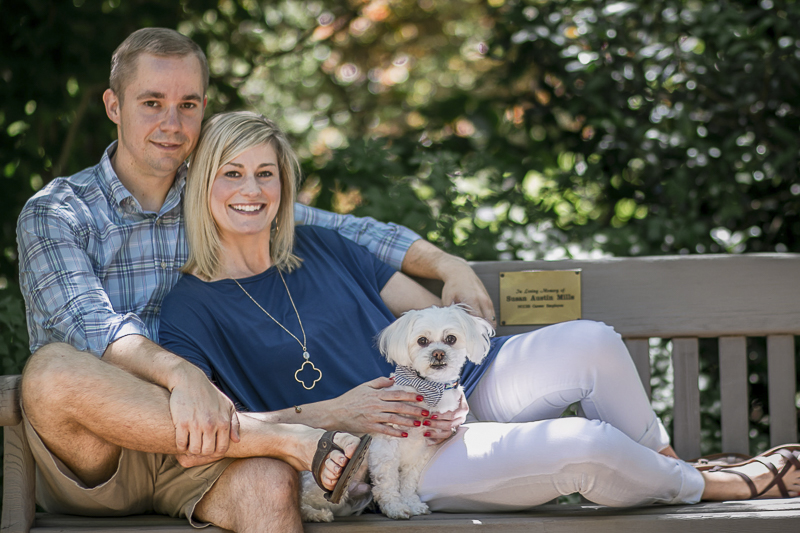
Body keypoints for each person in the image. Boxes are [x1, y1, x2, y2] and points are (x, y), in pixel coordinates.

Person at [159, 110, 800, 519]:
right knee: (581, 445)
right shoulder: (188, 307)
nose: (251, 191)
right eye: (232, 174)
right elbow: (222, 428)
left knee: (594, 342)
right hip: (396, 457)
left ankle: (668, 466)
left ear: (284, 185)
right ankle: (709, 488)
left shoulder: (320, 246)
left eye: (266, 173)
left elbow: (433, 319)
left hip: (458, 390)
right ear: (204, 186)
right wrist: (331, 414)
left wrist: (452, 316)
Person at [15, 28, 493, 532]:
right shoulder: (58, 213)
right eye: (151, 102)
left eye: (188, 104)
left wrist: (448, 265)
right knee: (51, 370)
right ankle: (290, 437)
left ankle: (282, 441)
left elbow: (346, 230)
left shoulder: (217, 193)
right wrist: (183, 375)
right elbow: (93, 325)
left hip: (212, 443)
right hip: (108, 451)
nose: (171, 123)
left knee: (269, 484)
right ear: (113, 105)